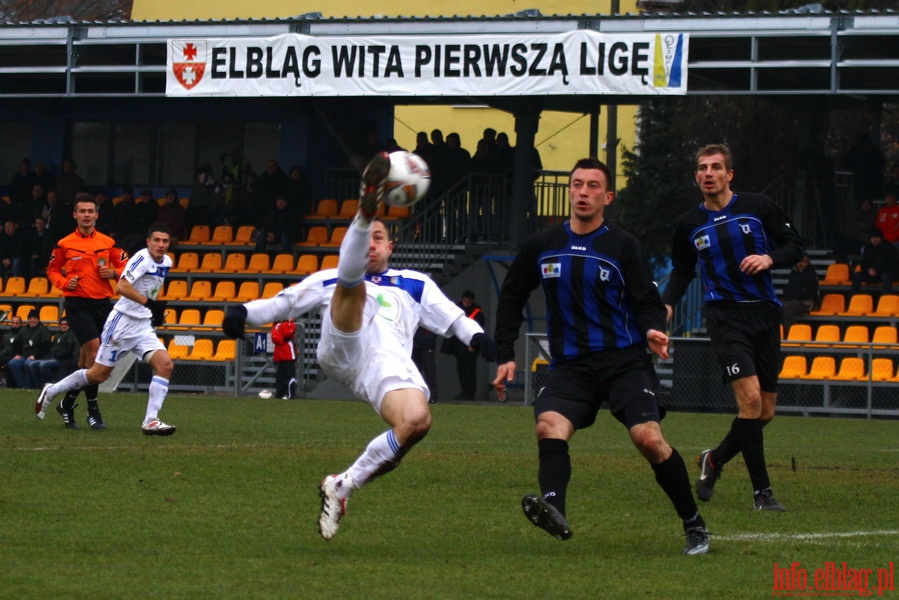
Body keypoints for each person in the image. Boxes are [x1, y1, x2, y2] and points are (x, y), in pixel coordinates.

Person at [221, 152, 496, 540]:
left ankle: (343, 485)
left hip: (385, 366)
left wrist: (480, 339)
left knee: (416, 421)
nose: (371, 246)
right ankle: (365, 206)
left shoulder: (414, 283)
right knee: (351, 285)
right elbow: (285, 303)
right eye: (366, 237)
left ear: (390, 247)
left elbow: (452, 318)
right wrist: (243, 313)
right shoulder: (332, 278)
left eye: (377, 237)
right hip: (343, 345)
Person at [492, 157, 710, 555]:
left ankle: (694, 523)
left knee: (648, 439)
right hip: (571, 367)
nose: (583, 192)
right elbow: (511, 296)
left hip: (624, 362)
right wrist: (505, 351)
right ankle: (554, 510)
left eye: (593, 186)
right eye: (577, 184)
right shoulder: (542, 245)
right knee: (549, 426)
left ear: (607, 197)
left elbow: (647, 300)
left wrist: (652, 330)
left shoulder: (623, 246)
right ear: (569, 191)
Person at [662, 143, 805, 513]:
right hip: (725, 318)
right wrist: (666, 302)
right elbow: (682, 270)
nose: (708, 173)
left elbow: (795, 246)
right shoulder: (689, 224)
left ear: (729, 174)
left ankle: (716, 459)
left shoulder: (757, 207)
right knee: (751, 402)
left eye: (715, 167)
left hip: (765, 315)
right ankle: (763, 495)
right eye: (702, 168)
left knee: (766, 411)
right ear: (696, 176)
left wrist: (769, 257)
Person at [36, 223, 176, 435]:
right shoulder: (141, 259)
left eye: (165, 241)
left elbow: (150, 289)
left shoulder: (167, 261)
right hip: (121, 324)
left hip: (142, 326)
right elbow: (121, 286)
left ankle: (151, 421)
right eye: (156, 240)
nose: (160, 245)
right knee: (98, 375)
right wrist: (149, 304)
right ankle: (52, 390)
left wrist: (153, 311)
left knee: (165, 365)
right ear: (148, 242)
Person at [43, 193, 129, 430]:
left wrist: (114, 274)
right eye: (82, 211)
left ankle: (67, 403)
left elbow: (127, 266)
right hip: (77, 305)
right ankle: (93, 409)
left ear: (97, 215)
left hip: (103, 305)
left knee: (85, 361)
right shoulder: (64, 243)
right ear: (75, 215)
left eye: (91, 211)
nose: (87, 215)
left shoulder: (108, 243)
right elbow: (52, 270)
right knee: (95, 355)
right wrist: (63, 283)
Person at [444, 290, 486, 400]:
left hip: (470, 346)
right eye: (464, 300)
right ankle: (464, 392)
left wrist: (474, 345)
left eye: (468, 300)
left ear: (472, 301)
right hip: (459, 346)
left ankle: (470, 393)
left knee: (469, 371)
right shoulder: (458, 311)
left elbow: (479, 331)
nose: (466, 302)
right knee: (461, 370)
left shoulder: (477, 314)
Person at [7, 309, 52, 389]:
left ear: (38, 319)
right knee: (12, 363)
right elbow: (16, 343)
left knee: (29, 363)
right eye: (30, 318)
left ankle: (33, 386)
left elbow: (46, 346)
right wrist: (17, 355)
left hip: (38, 357)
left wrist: (35, 356)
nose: (32, 320)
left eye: (34, 318)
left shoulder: (43, 329)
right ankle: (24, 386)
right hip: (24, 357)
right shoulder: (24, 329)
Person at [28, 317, 79, 387]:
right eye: (62, 324)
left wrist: (57, 354)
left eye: (66, 324)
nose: (64, 326)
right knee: (32, 364)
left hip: (62, 359)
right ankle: (39, 385)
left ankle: (49, 384)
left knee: (43, 365)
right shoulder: (57, 335)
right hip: (52, 358)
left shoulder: (71, 334)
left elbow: (69, 349)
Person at [851, 227, 899, 293]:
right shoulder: (868, 247)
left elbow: (892, 264)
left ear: (881, 237)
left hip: (887, 272)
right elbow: (863, 263)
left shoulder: (889, 247)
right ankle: (854, 297)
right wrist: (868, 269)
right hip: (873, 273)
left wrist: (877, 270)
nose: (875, 240)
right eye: (872, 238)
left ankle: (886, 298)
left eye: (877, 237)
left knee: (885, 276)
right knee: (857, 275)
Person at [781, 255, 819, 329]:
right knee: (775, 304)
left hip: (806, 303)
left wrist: (794, 295)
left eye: (803, 261)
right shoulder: (794, 273)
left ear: (808, 263)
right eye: (798, 261)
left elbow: (810, 292)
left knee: (787, 307)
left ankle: (790, 332)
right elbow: (788, 289)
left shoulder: (811, 275)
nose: (800, 264)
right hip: (792, 300)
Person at [271, 319, 298, 400]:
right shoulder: (286, 325)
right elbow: (290, 331)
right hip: (288, 354)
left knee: (280, 376)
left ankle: (280, 394)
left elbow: (276, 338)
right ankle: (290, 394)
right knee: (290, 376)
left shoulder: (276, 327)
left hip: (279, 354)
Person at [411, 327, 438, 403]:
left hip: (427, 345)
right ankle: (415, 396)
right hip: (413, 344)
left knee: (429, 371)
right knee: (414, 372)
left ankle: (432, 397)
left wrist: (429, 337)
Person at [0, 315, 24, 387]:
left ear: (21, 324)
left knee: (8, 365)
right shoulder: (6, 334)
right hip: (3, 356)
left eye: (17, 323)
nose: (15, 325)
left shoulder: (23, 334)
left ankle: (11, 386)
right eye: (13, 323)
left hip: (15, 357)